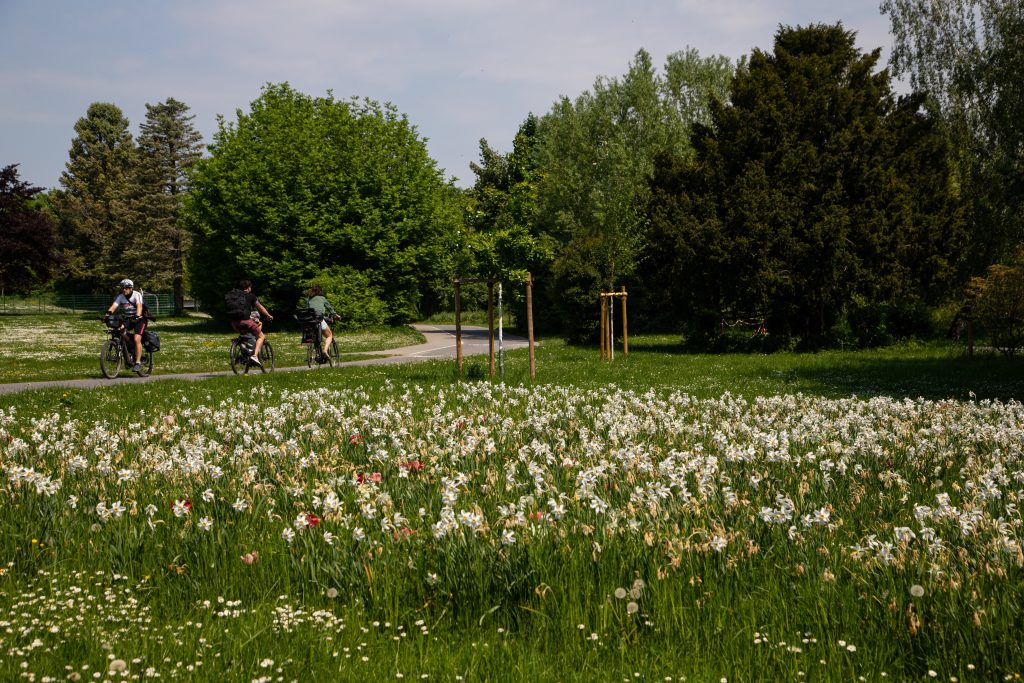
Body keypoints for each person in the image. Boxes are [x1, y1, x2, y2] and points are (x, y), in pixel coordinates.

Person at [226, 279, 273, 366]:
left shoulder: (234, 297)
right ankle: (255, 356)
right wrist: (268, 315)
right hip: (246, 322)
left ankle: (242, 348)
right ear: (249, 288)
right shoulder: (251, 296)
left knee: (245, 334)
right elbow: (261, 308)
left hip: (234, 323)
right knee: (261, 336)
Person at [105, 278, 147, 373]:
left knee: (137, 338)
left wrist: (137, 315)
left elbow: (139, 306)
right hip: (128, 319)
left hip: (140, 319)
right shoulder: (121, 296)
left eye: (126, 288)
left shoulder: (137, 295)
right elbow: (114, 306)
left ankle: (137, 363)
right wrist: (107, 315)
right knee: (120, 331)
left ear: (131, 288)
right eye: (122, 288)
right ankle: (130, 349)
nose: (124, 289)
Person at [305, 285, 339, 362]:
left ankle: (317, 354)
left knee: (316, 338)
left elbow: (307, 309)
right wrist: (336, 315)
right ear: (320, 291)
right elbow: (330, 308)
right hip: (319, 319)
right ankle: (325, 351)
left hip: (310, 321)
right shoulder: (322, 298)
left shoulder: (309, 299)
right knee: (329, 335)